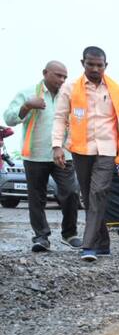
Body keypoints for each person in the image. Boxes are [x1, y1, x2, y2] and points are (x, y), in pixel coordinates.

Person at [52, 46, 119, 262]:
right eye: (91, 64)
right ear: (83, 63)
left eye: (100, 65)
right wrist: (57, 145)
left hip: (106, 150)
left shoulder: (116, 90)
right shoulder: (70, 88)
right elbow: (60, 117)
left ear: (106, 65)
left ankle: (89, 246)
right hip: (80, 149)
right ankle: (103, 243)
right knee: (88, 197)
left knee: (98, 193)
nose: (95, 68)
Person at [4, 61, 82, 252]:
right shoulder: (29, 93)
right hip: (35, 155)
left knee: (71, 192)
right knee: (36, 198)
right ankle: (41, 237)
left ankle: (69, 233)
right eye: (58, 75)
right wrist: (27, 106)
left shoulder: (69, 94)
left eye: (65, 76)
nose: (62, 80)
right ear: (45, 73)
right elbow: (9, 118)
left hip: (64, 155)